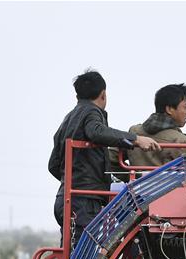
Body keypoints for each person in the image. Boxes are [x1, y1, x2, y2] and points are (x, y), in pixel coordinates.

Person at [48, 69, 159, 234]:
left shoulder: (68, 119)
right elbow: (96, 131)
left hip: (64, 199)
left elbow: (53, 164)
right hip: (84, 201)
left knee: (72, 254)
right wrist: (136, 139)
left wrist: (72, 182)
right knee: (86, 255)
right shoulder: (92, 112)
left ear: (77, 96)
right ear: (103, 94)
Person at [128, 84, 186, 167]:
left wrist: (131, 177)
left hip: (137, 179)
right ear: (169, 109)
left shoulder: (134, 132)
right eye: (185, 107)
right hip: (169, 180)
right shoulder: (181, 141)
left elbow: (112, 158)